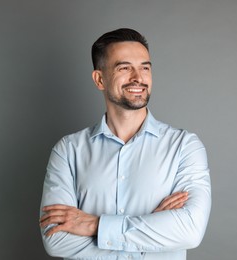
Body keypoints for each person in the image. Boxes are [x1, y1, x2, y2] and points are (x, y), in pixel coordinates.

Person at [39, 28, 211, 260]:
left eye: (145, 67)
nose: (138, 77)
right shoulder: (68, 151)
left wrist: (94, 225)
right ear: (100, 79)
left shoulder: (184, 147)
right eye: (124, 68)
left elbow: (190, 230)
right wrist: (151, 235)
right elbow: (56, 240)